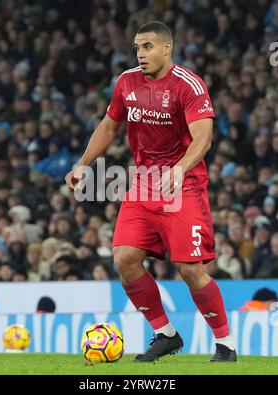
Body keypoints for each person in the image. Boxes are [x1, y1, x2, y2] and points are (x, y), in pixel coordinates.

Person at [65, 21, 236, 362]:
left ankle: (226, 344)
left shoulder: (189, 85)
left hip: (183, 184)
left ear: (166, 48)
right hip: (143, 183)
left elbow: (203, 138)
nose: (140, 54)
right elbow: (110, 124)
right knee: (124, 258)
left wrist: (179, 169)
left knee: (190, 270)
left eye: (147, 47)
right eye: (137, 48)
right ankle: (165, 334)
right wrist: (84, 162)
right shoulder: (127, 81)